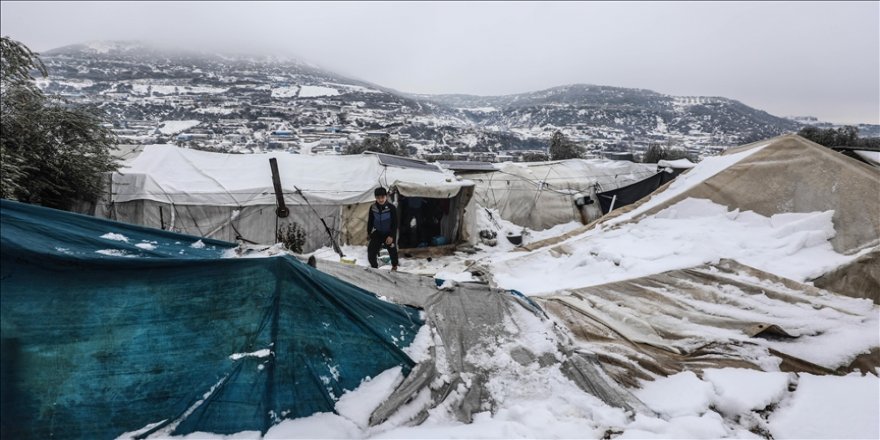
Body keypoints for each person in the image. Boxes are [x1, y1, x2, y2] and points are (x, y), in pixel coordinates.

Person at [367, 187, 399, 270]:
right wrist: (369, 233)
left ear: (386, 196)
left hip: (389, 233)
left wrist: (391, 236)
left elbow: (395, 223)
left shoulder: (391, 208)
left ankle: (394, 266)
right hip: (378, 232)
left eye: (382, 197)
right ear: (375, 198)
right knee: (371, 252)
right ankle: (374, 268)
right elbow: (370, 221)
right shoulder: (373, 207)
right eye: (378, 198)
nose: (380, 200)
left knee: (392, 251)